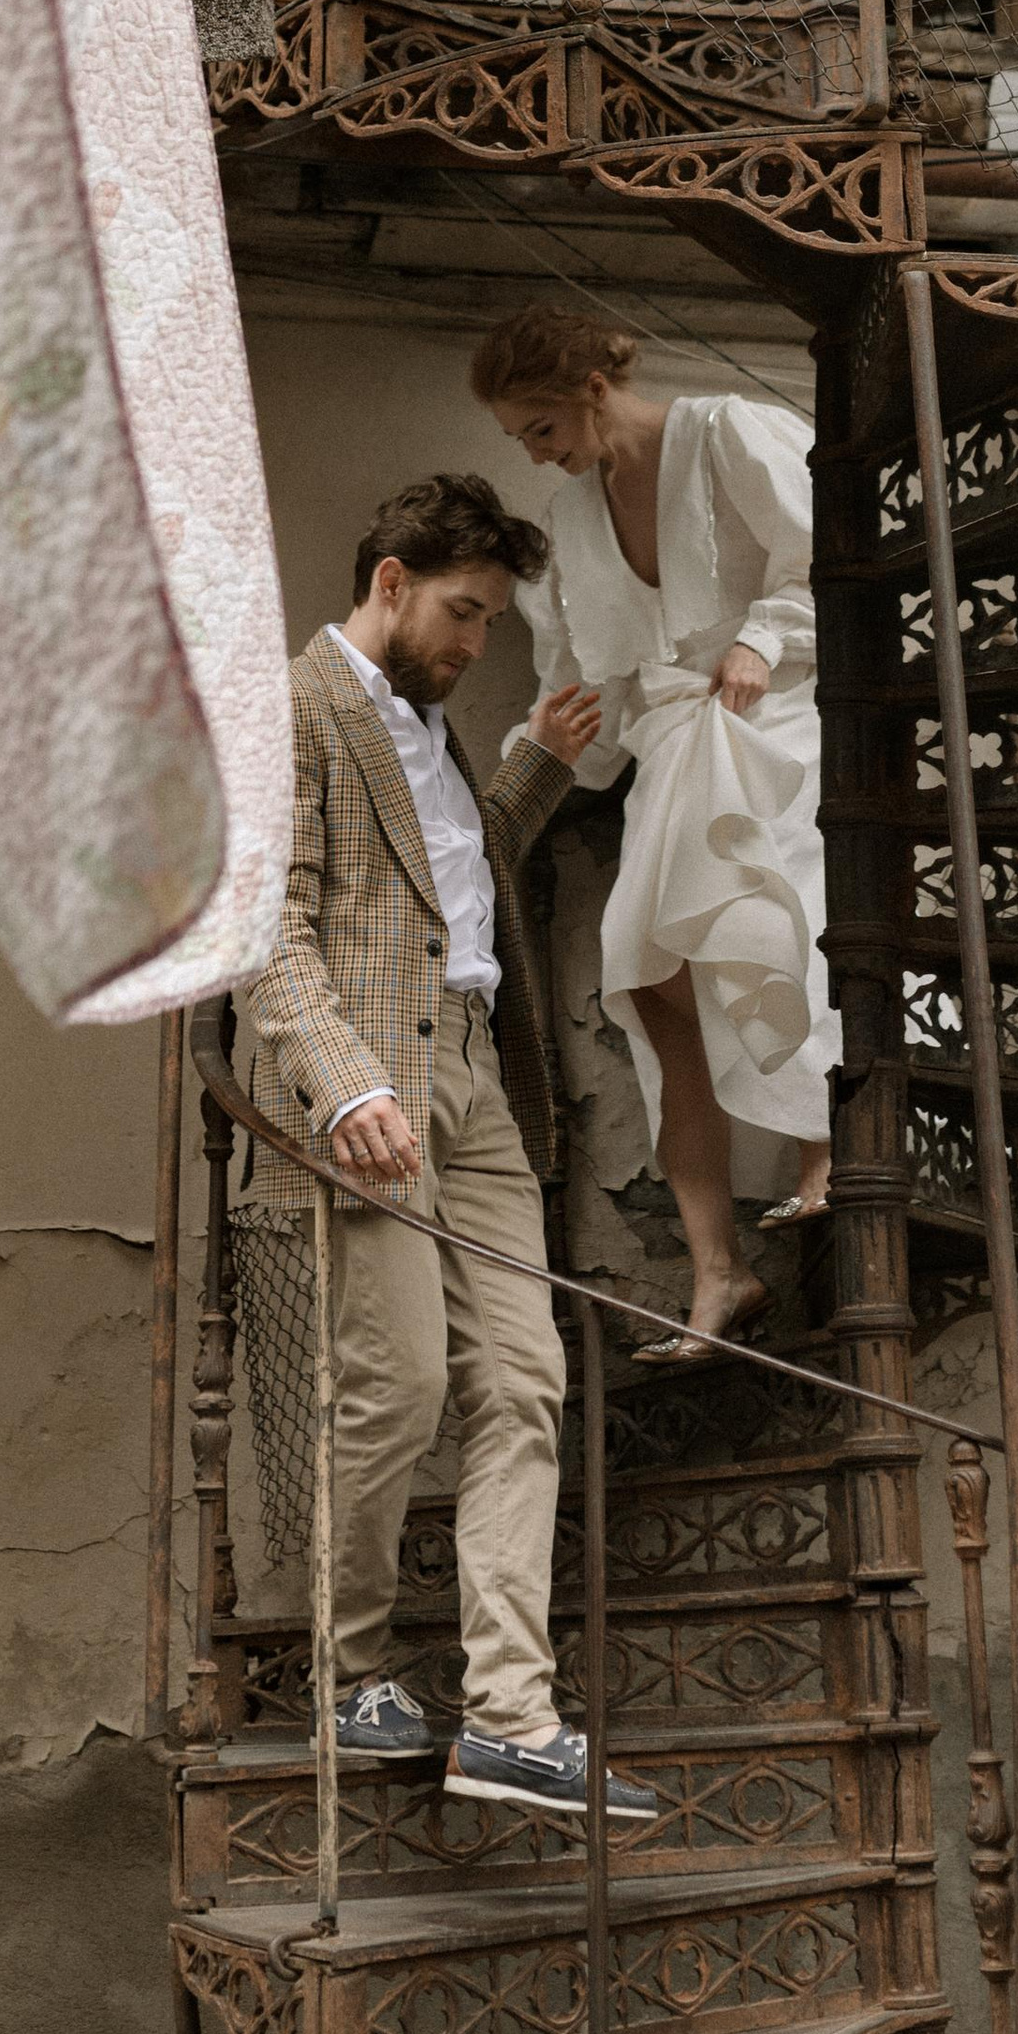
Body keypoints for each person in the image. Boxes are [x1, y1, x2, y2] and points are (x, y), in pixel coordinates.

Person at [244, 471, 659, 1823]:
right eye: (465, 611)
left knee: (526, 1381)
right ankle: (348, 1665)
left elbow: (447, 878)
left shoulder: (432, 723)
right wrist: (343, 1078)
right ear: (390, 581)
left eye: (489, 618)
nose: (477, 641)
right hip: (377, 1093)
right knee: (399, 1384)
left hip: (480, 1080)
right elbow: (270, 926)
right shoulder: (294, 711)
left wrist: (531, 753)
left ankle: (512, 1716)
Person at [471, 302, 839, 1363]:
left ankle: (829, 1152)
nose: (538, 454)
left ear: (591, 386)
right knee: (652, 995)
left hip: (773, 730)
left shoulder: (730, 433)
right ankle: (718, 1272)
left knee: (785, 922)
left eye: (541, 426)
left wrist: (764, 638)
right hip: (674, 753)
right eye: (523, 440)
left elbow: (833, 558)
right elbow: (584, 685)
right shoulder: (573, 521)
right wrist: (536, 750)